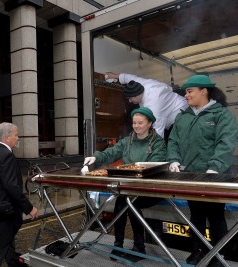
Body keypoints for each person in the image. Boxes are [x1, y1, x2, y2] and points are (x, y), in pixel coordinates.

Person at [167, 75, 238, 267]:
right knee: (195, 215)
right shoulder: (183, 117)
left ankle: (218, 255)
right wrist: (173, 159)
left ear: (204, 91)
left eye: (190, 91)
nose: (186, 95)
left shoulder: (221, 115)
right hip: (190, 175)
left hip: (216, 175)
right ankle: (196, 250)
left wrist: (214, 167)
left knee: (215, 216)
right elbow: (173, 140)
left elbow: (226, 143)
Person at [82, 107, 166, 262]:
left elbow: (155, 166)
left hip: (150, 189)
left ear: (150, 124)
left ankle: (139, 247)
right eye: (134, 123)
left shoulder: (158, 143)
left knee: (130, 201)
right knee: (121, 201)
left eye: (140, 123)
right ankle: (118, 244)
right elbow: (112, 152)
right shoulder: (128, 140)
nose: (136, 126)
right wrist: (96, 157)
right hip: (129, 188)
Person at [0, 122, 39, 267]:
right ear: (7, 137)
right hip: (4, 213)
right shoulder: (6, 155)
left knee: (7, 244)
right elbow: (12, 187)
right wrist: (29, 208)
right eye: (16, 135)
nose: (18, 139)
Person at [106, 72, 188, 139]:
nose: (129, 101)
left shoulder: (153, 104)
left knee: (174, 142)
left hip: (180, 114)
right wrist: (115, 76)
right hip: (168, 113)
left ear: (137, 95)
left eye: (130, 98)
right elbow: (130, 77)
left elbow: (157, 131)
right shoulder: (141, 84)